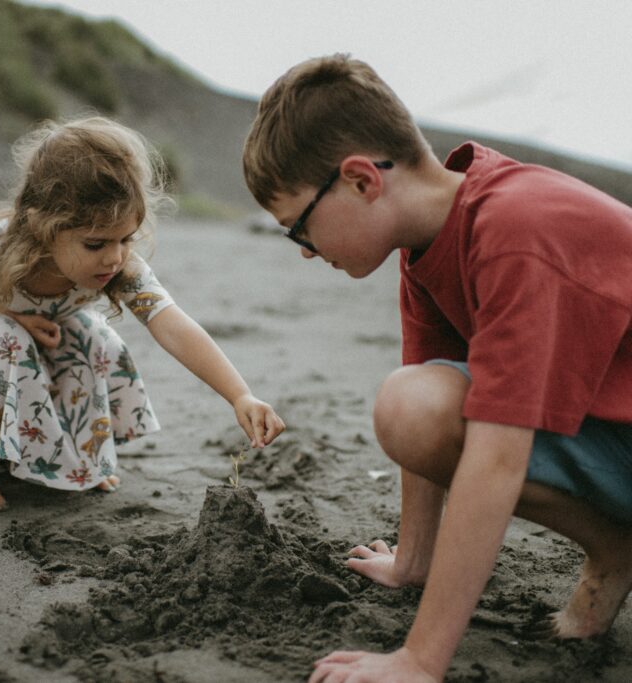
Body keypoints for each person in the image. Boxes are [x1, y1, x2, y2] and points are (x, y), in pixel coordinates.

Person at [242, 53, 632, 682]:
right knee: (412, 404)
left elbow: (497, 456)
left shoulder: (516, 229)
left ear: (362, 180)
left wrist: (420, 661)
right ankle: (616, 547)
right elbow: (427, 411)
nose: (307, 254)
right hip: (616, 434)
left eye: (299, 231)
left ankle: (613, 551)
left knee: (457, 423)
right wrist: (411, 563)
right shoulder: (429, 238)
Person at [0, 116, 284, 512]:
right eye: (96, 243)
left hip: (41, 329)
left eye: (125, 240)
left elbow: (172, 325)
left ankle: (77, 461)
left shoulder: (120, 266)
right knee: (5, 340)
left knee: (95, 338)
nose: (114, 257)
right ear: (42, 225)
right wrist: (14, 319)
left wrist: (240, 396)